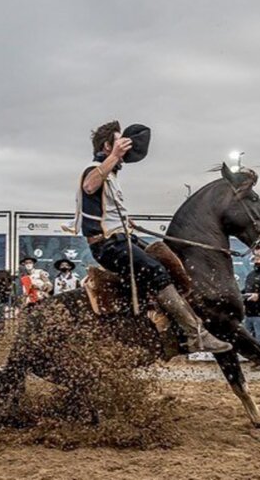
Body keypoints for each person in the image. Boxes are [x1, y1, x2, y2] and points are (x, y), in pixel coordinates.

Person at [75, 120, 232, 353]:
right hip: (107, 245)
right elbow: (89, 186)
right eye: (120, 142)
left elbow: (102, 207)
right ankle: (195, 334)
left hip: (119, 239)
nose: (126, 147)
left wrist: (125, 222)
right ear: (108, 147)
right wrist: (115, 156)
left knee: (163, 257)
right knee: (156, 271)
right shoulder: (94, 169)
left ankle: (162, 322)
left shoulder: (111, 176)